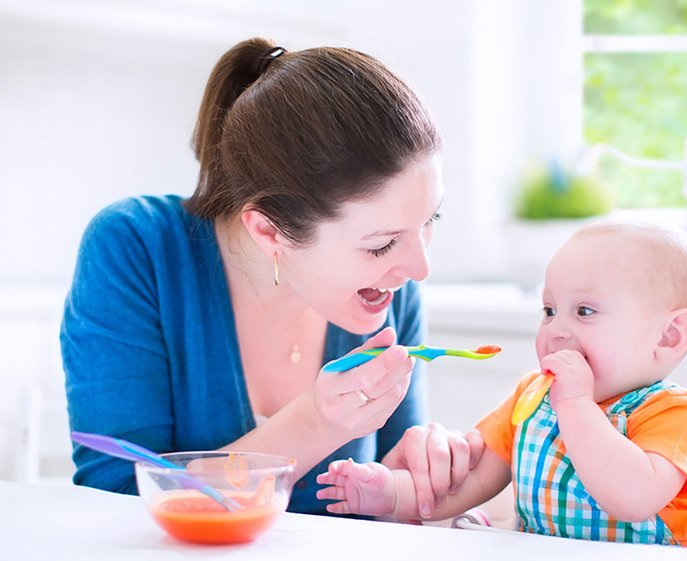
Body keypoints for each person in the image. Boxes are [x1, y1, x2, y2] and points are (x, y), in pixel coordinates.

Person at [61, 38, 483, 516]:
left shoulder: (386, 289)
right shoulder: (136, 250)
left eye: (430, 222)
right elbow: (114, 503)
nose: (418, 268)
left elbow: (384, 511)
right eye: (381, 244)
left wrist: (416, 484)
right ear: (268, 230)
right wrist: (315, 421)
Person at [317, 221, 687, 545]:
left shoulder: (670, 414)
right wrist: (390, 493)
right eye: (549, 310)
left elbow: (633, 499)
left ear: (668, 336)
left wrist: (576, 405)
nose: (557, 330)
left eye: (584, 311)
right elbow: (470, 482)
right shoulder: (532, 398)